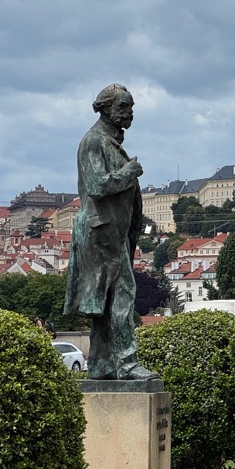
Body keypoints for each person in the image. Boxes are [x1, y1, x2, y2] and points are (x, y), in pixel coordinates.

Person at [64, 84, 157, 381]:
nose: (130, 113)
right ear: (106, 109)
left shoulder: (109, 141)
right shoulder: (94, 141)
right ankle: (126, 364)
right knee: (122, 294)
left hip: (111, 233)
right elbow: (96, 186)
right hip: (101, 232)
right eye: (124, 107)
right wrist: (129, 172)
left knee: (105, 302)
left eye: (131, 107)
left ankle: (102, 365)